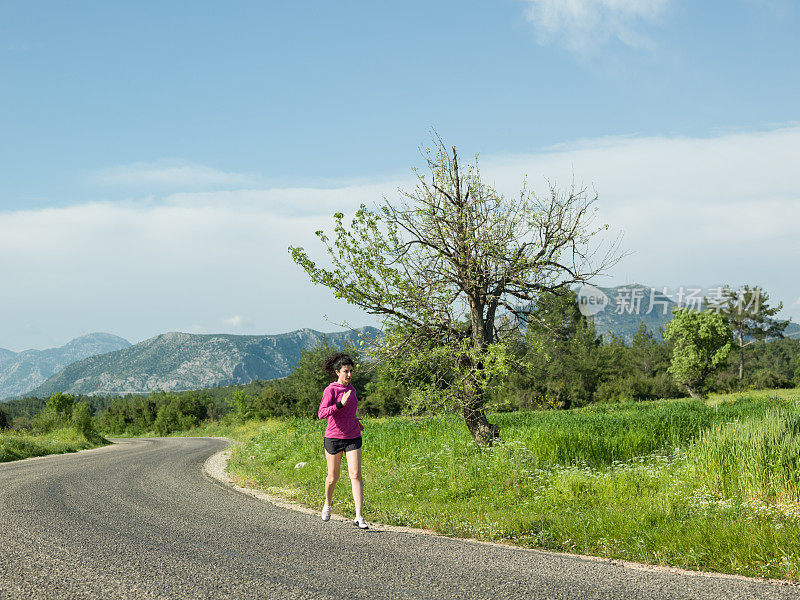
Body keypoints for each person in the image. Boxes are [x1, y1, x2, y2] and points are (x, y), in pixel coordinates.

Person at [318, 352, 368, 529]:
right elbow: (321, 414)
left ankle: (359, 516)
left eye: (351, 371)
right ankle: (327, 503)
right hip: (334, 438)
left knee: (355, 474)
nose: (349, 374)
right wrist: (340, 404)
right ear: (337, 372)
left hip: (353, 436)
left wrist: (355, 421)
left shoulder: (352, 389)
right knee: (333, 477)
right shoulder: (331, 390)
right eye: (346, 371)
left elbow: (350, 411)